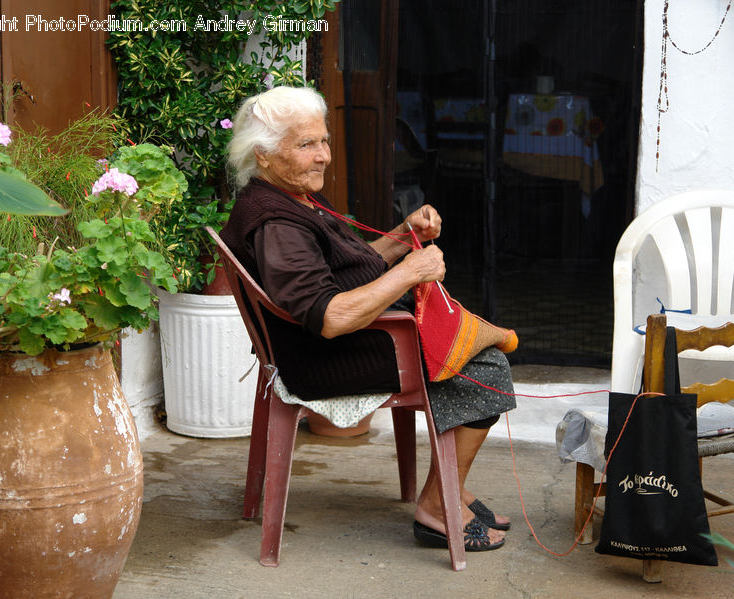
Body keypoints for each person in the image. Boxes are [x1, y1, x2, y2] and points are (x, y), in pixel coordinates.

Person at [220, 86, 516, 552]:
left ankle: (450, 488)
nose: (322, 157)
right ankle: (438, 506)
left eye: (323, 141)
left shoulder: (288, 197)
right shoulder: (277, 225)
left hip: (339, 344)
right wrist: (410, 272)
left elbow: (343, 274)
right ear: (264, 155)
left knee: (477, 349)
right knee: (487, 369)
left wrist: (402, 238)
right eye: (305, 145)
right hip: (328, 358)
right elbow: (331, 316)